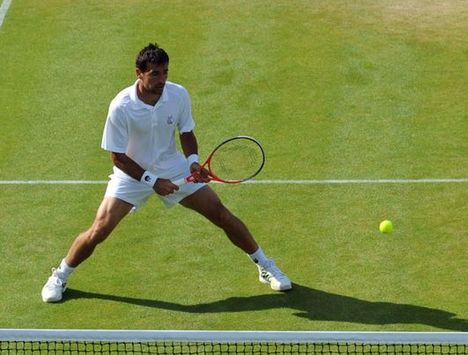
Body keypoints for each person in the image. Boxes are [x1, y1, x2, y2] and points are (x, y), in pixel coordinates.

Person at [41, 43, 291, 303]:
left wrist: (193, 162)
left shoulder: (178, 95)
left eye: (165, 72)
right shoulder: (121, 106)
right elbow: (118, 157)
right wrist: (152, 181)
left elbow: (186, 131)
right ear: (139, 73)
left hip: (172, 166)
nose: (162, 80)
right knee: (99, 230)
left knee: (221, 214)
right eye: (155, 74)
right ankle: (60, 276)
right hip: (132, 173)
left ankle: (265, 265)